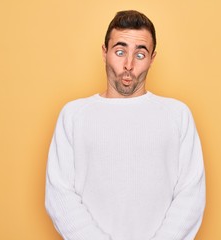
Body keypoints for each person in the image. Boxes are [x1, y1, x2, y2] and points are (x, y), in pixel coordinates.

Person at [45, 10, 206, 240]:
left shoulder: (177, 115)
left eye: (140, 55)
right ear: (104, 52)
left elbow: (191, 194)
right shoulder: (73, 115)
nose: (128, 64)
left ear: (152, 58)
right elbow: (59, 194)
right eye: (120, 52)